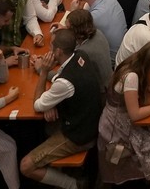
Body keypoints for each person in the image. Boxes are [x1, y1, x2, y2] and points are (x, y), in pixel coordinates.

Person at [20, 28, 103, 189]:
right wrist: (52, 102)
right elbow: (61, 81)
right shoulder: (80, 56)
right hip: (90, 122)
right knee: (46, 125)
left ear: (58, 51)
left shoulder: (65, 83)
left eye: (51, 47)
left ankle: (75, 185)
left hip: (79, 136)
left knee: (26, 165)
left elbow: (37, 105)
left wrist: (44, 71)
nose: (49, 50)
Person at [98, 41, 150, 188]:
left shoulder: (134, 62)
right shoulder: (131, 77)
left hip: (123, 120)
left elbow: (145, 84)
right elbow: (135, 114)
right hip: (118, 129)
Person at [71, 0, 127, 65]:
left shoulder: (95, 16)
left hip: (112, 61)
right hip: (121, 51)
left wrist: (73, 12)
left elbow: (73, 35)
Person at [65, 6, 113, 97]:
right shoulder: (97, 33)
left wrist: (42, 69)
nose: (66, 32)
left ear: (76, 31)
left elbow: (66, 77)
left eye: (67, 29)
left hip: (100, 95)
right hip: (109, 84)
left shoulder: (83, 53)